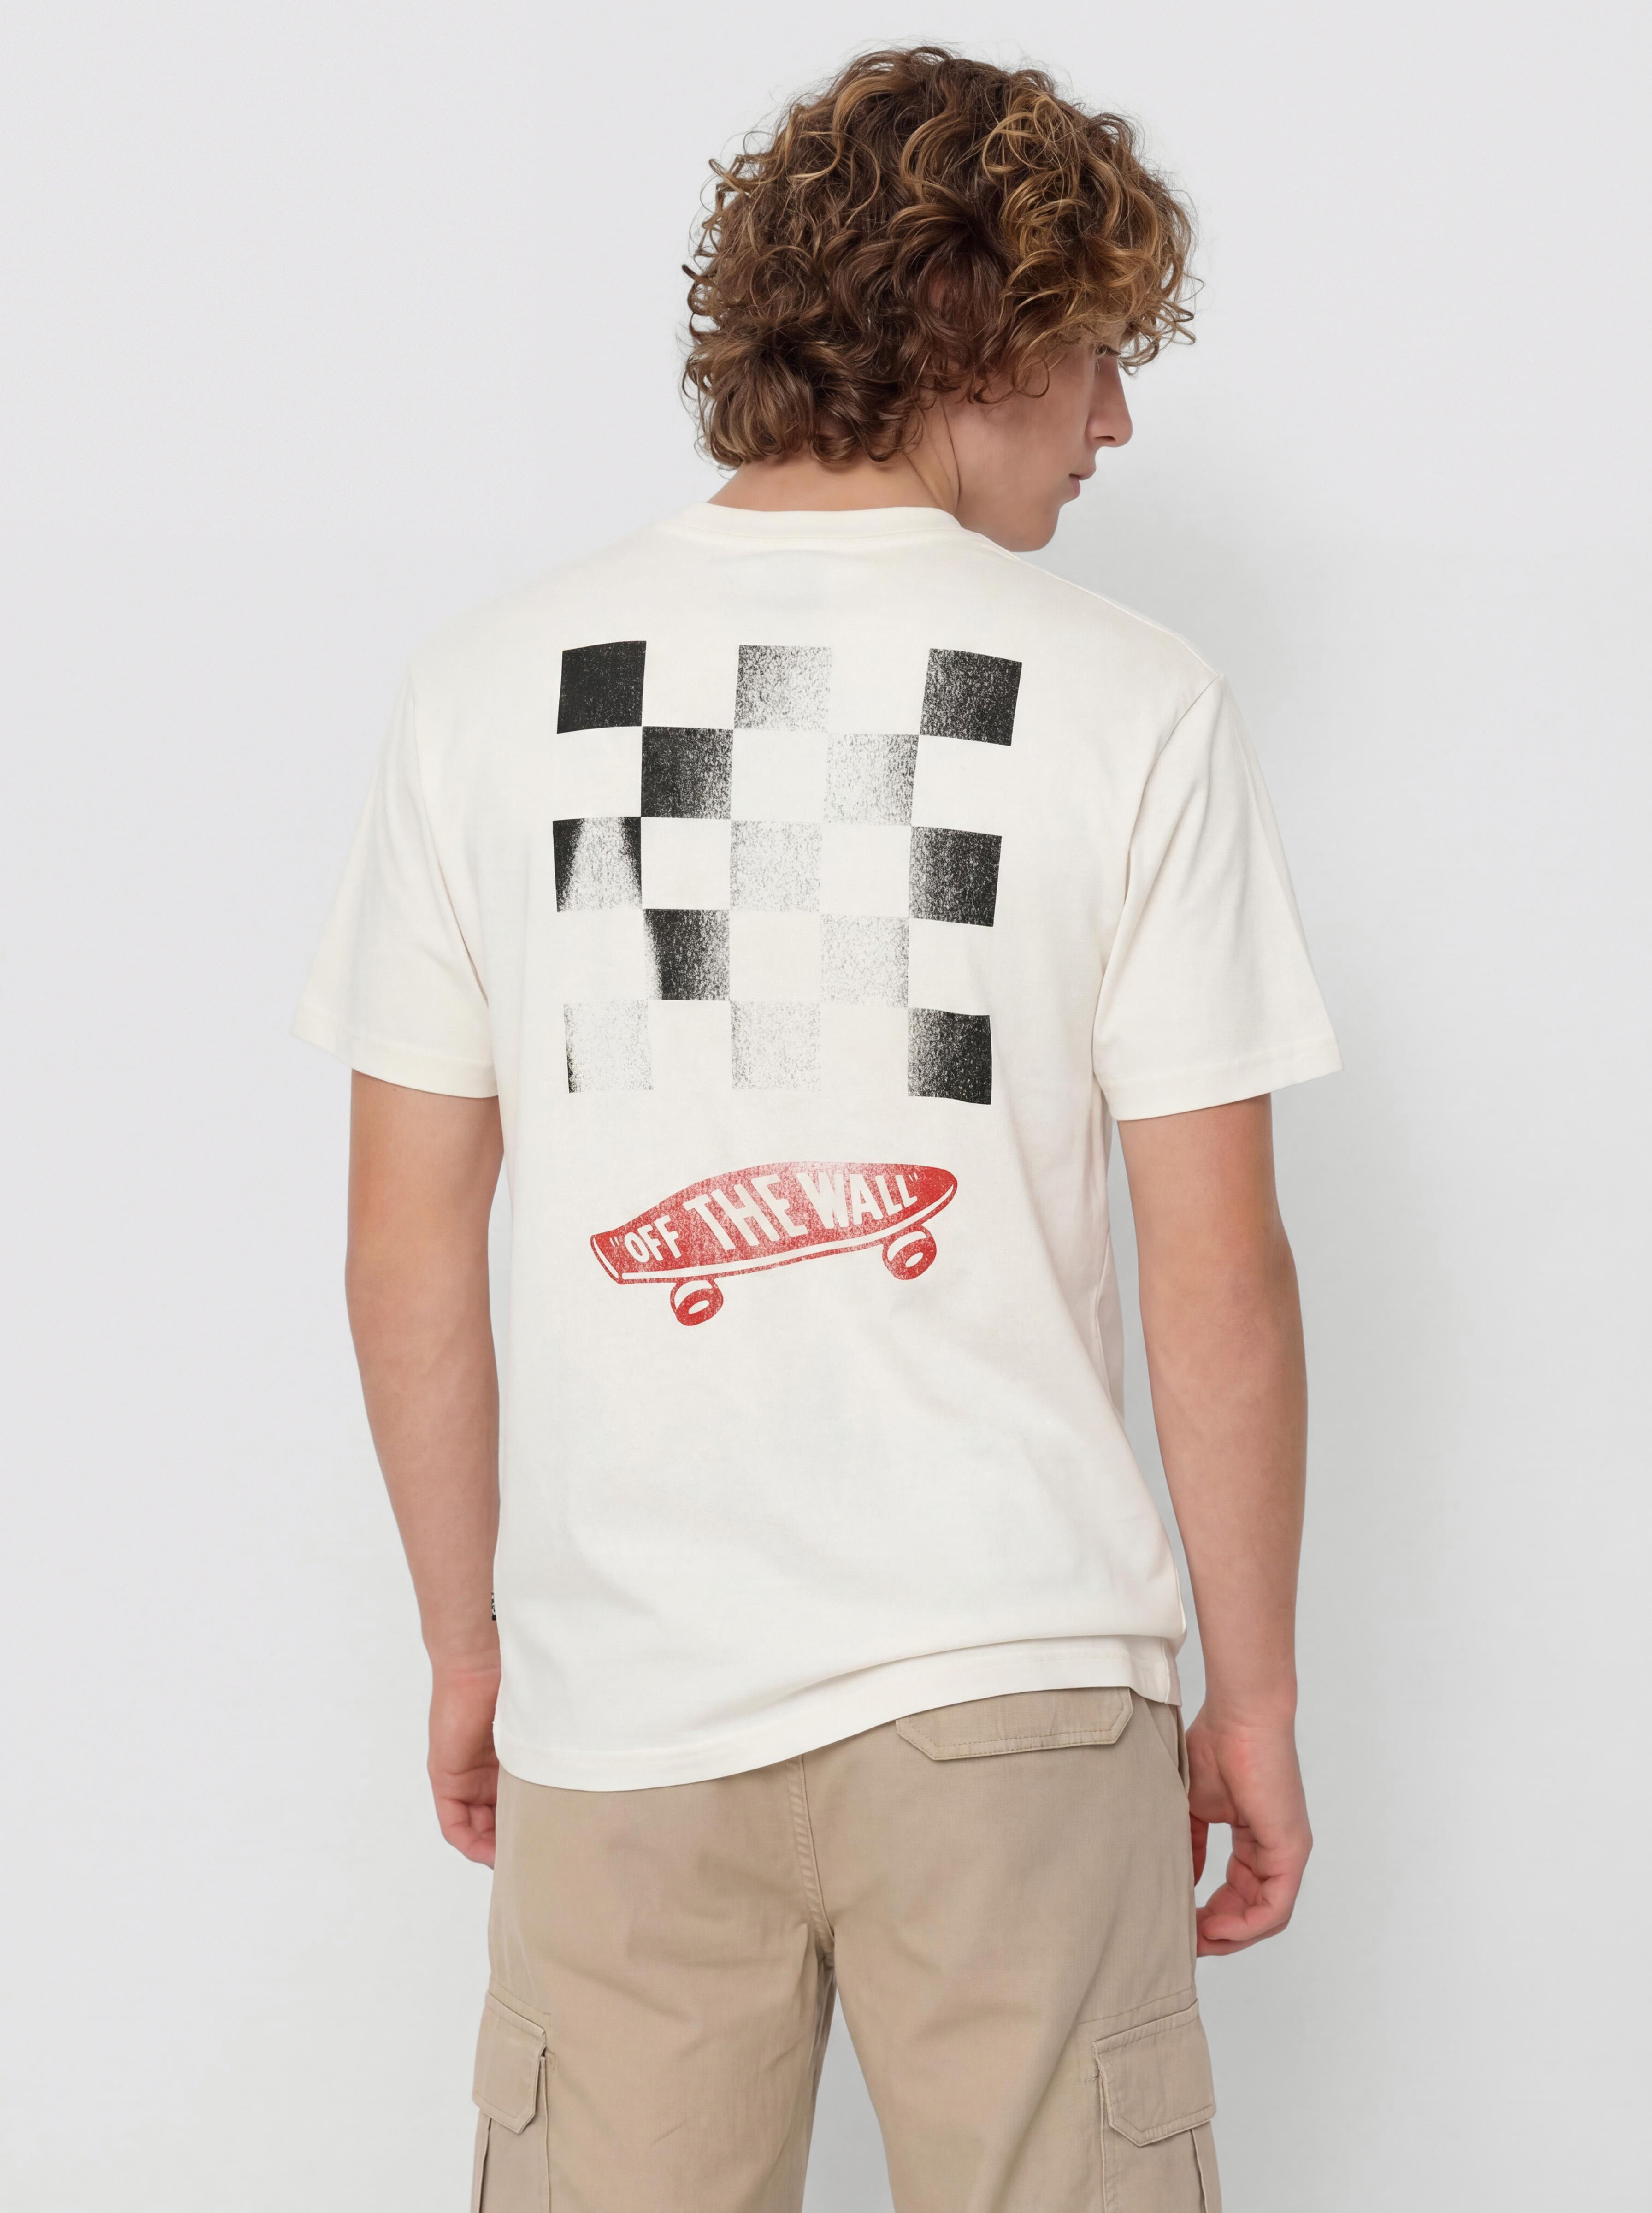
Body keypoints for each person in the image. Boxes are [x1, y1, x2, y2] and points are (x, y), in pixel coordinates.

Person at [295, 43, 1339, 2213]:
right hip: (1016, 1692)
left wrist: (471, 1645)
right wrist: (1249, 1697)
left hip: (623, 1700)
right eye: (1096, 353)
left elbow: (405, 1246)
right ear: (978, 333)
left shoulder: (485, 689)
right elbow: (1214, 1265)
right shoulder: (1133, 702)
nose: (1115, 423)